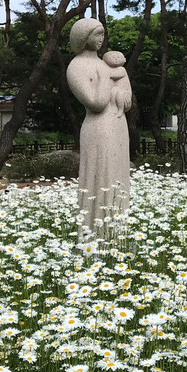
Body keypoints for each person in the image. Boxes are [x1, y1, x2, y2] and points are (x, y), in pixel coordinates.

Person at [67, 19, 132, 242]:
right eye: (97, 34)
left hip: (118, 124)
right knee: (101, 177)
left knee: (118, 179)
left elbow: (127, 99)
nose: (101, 39)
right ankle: (95, 236)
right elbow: (97, 103)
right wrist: (107, 77)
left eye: (103, 34)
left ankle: (117, 236)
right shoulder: (76, 67)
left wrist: (123, 91)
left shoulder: (107, 64)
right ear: (83, 37)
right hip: (98, 128)